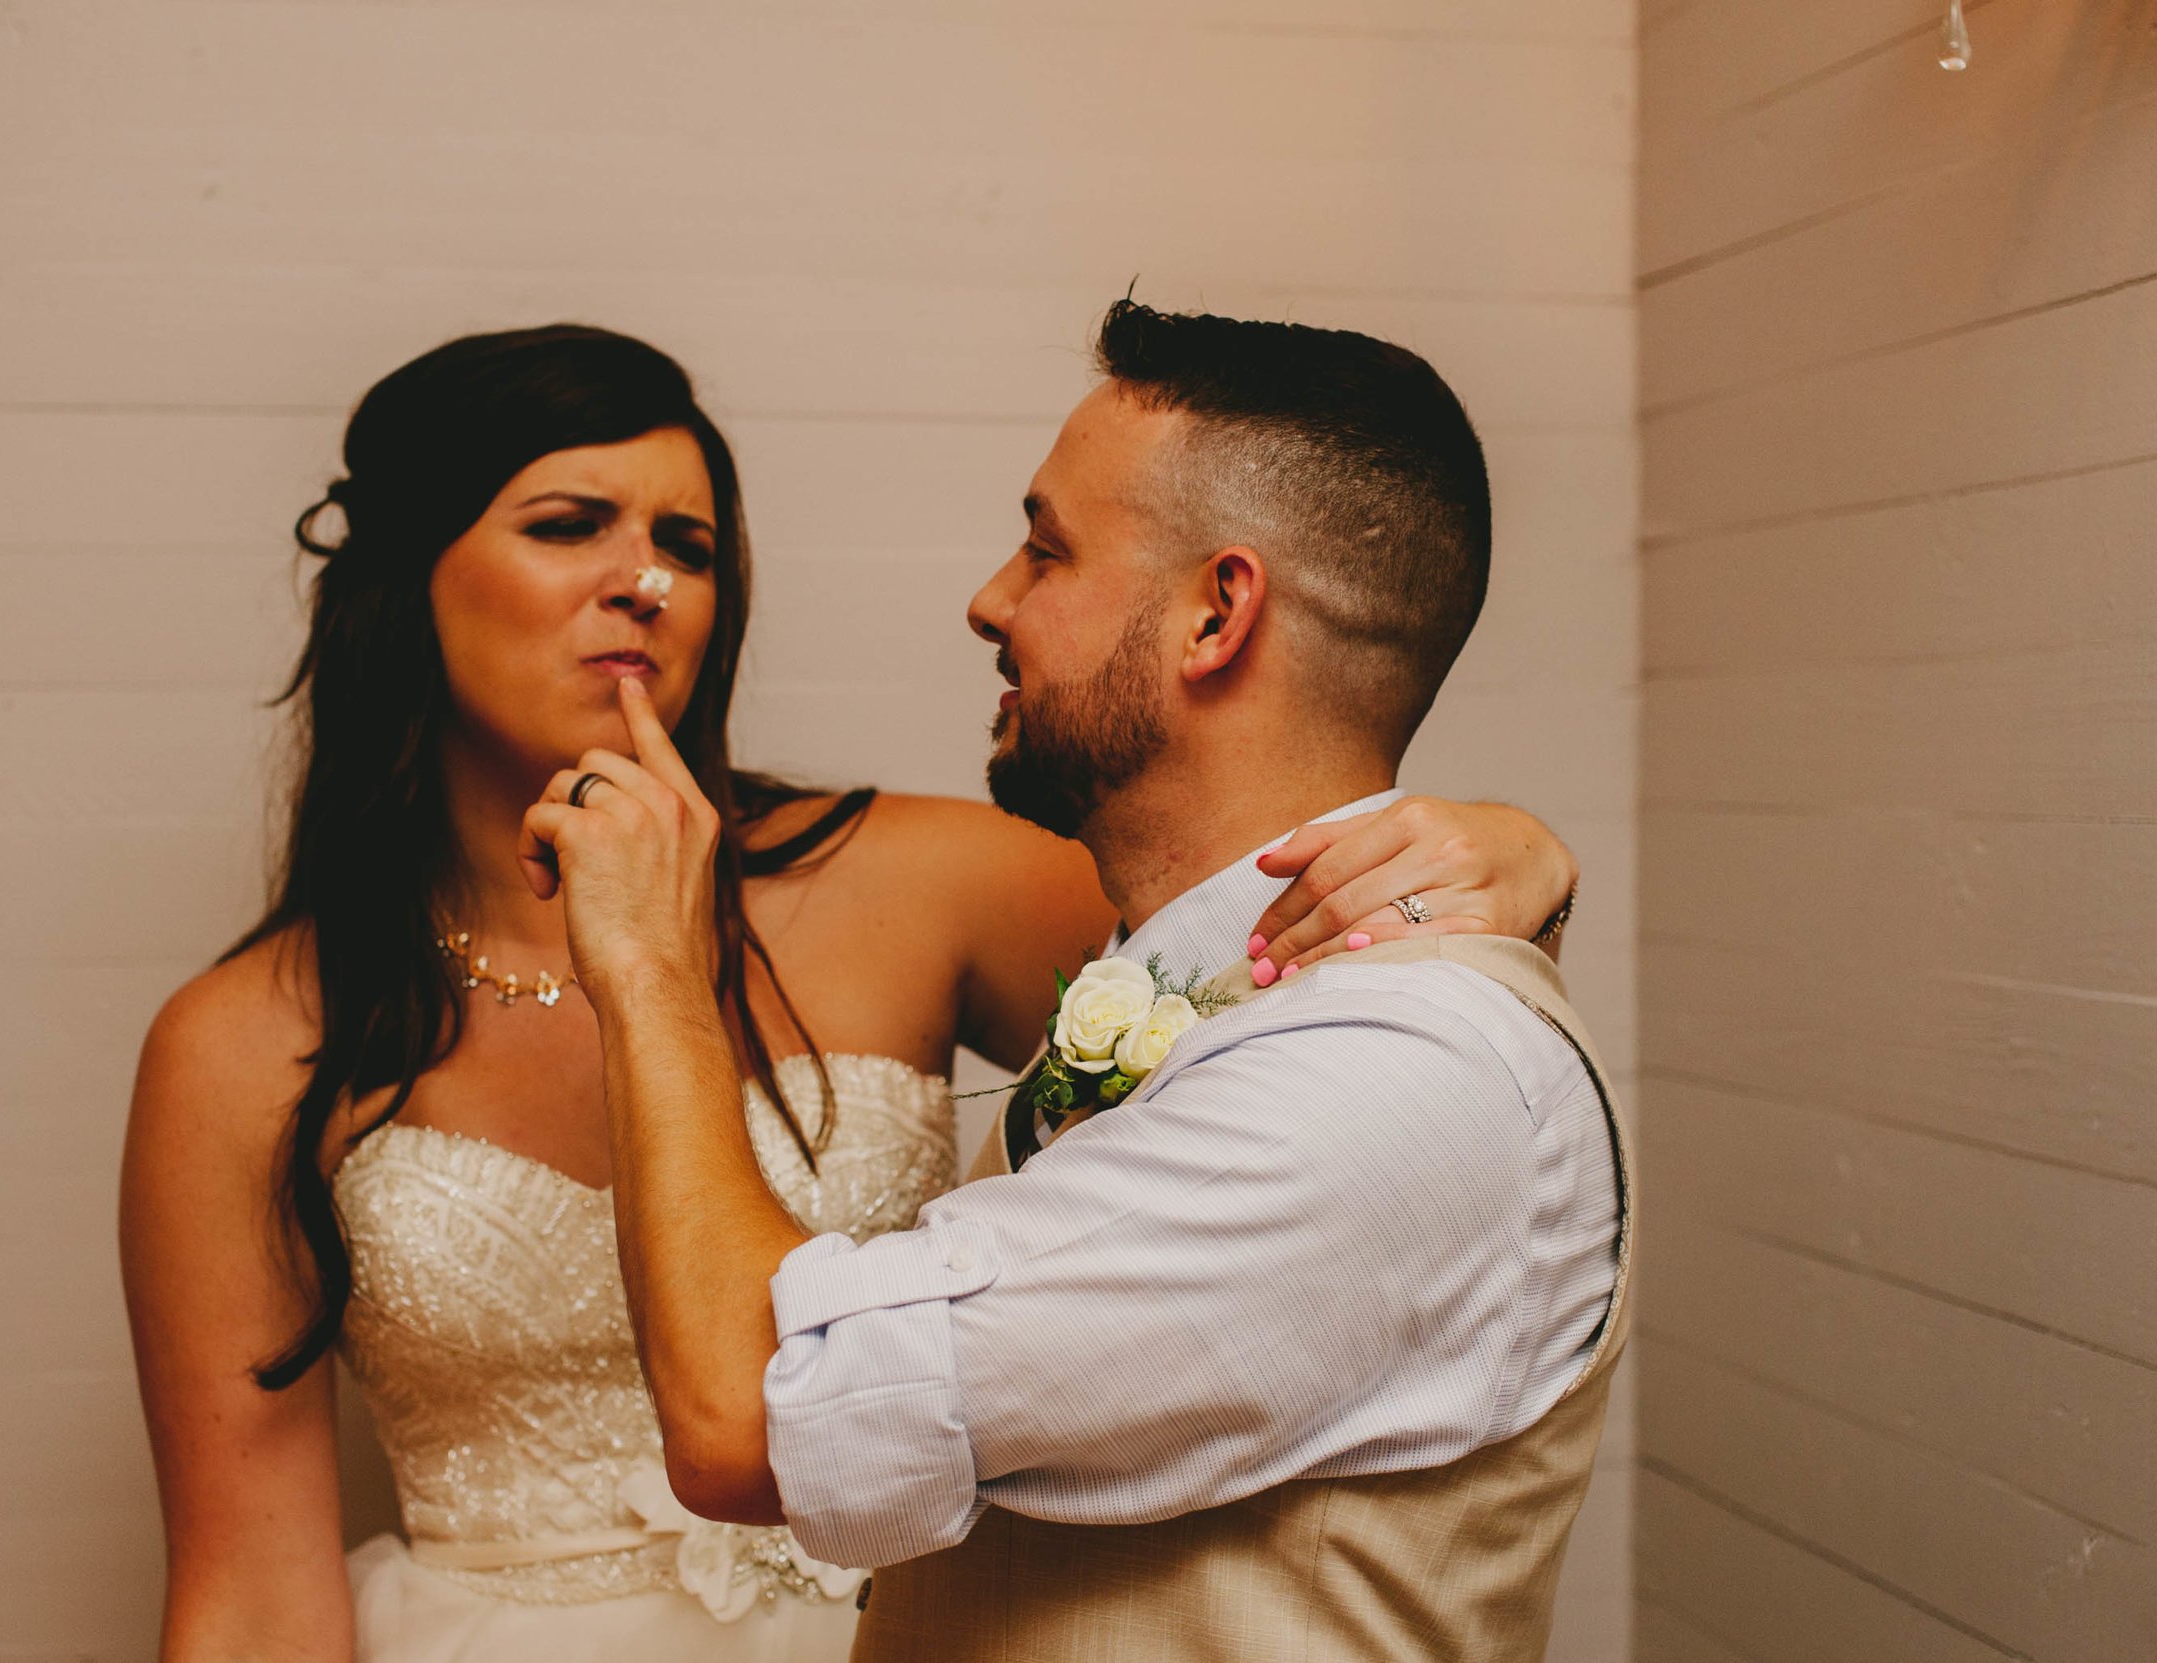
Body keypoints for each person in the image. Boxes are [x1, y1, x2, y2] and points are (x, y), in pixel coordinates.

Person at [117, 323, 1580, 1663]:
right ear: (403, 581)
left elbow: (1255, 938)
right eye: (570, 526)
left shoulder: (916, 877)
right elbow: (250, 1589)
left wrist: (1514, 853)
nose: (647, 582)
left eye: (688, 544)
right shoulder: (248, 1041)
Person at [527, 301, 1629, 1663]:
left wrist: (646, 963)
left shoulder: (1394, 1072)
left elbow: (758, 1412)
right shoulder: (1217, 964)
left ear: (1217, 614)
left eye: (1047, 550)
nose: (990, 598)